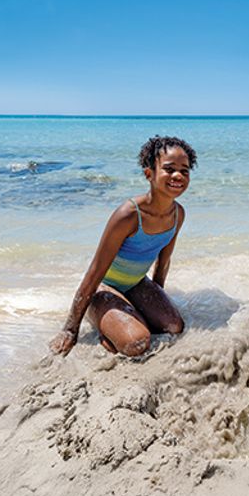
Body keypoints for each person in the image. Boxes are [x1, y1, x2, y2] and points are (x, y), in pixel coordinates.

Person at [49, 136, 194, 357]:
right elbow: (95, 271)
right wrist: (70, 329)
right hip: (103, 288)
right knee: (137, 343)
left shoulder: (178, 214)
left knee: (174, 327)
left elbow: (163, 263)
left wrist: (155, 300)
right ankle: (100, 319)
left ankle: (122, 320)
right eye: (169, 169)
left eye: (184, 170)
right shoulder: (128, 215)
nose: (178, 176)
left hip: (135, 283)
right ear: (149, 174)